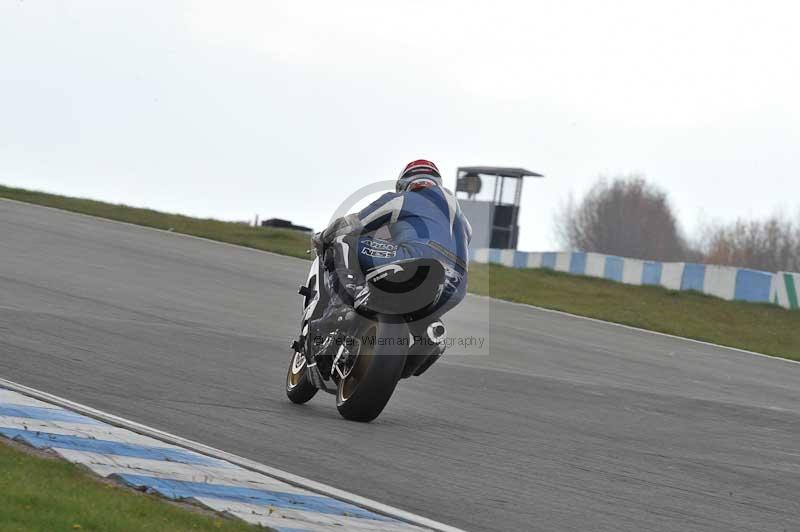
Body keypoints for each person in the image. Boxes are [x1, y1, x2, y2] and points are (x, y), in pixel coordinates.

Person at [309, 159, 471, 358]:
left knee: (342, 239)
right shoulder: (463, 219)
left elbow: (354, 224)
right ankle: (429, 337)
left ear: (404, 183)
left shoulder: (402, 199)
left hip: (415, 257)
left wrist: (323, 237)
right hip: (457, 283)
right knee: (425, 324)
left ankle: (341, 307)